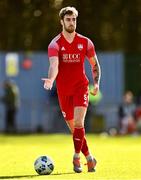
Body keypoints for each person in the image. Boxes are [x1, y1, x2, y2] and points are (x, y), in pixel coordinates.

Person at [42, 6, 101, 173]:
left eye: (74, 19)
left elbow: (95, 65)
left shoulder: (85, 42)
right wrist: (51, 80)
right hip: (64, 91)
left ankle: (76, 157)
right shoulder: (55, 44)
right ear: (62, 22)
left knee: (79, 122)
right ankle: (89, 158)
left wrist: (96, 84)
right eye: (68, 19)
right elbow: (54, 65)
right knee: (75, 130)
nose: (71, 22)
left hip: (80, 87)